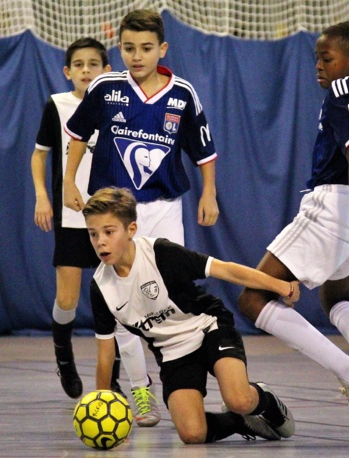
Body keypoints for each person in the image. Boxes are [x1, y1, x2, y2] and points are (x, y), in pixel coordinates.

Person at [238, 21, 349, 432]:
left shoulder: (343, 92)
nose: (318, 66)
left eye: (327, 58)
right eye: (317, 57)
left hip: (336, 205)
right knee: (335, 297)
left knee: (252, 298)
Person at [62, 9, 219, 425]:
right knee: (122, 301)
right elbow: (77, 136)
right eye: (128, 48)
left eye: (146, 48)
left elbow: (203, 151)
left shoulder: (182, 94)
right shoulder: (105, 87)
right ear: (120, 47)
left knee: (174, 292)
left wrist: (210, 194)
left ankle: (187, 377)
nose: (137, 55)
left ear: (162, 49)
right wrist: (68, 182)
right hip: (113, 208)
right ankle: (139, 387)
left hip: (164, 207)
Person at [83, 187, 298, 444]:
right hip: (173, 352)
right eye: (93, 234)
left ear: (131, 230)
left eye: (109, 232)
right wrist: (102, 407)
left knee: (239, 399)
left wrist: (280, 286)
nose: (100, 242)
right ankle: (241, 421)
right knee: (192, 434)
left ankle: (264, 400)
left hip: (207, 326)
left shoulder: (159, 254)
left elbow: (227, 270)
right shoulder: (101, 287)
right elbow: (106, 354)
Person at [30, 37, 159, 427]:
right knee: (67, 298)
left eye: (93, 64)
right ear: (68, 71)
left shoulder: (120, 103)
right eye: (78, 65)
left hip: (109, 222)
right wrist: (43, 196)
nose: (86, 70)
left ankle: (119, 380)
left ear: (107, 70)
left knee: (118, 301)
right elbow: (40, 154)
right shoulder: (58, 105)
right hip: (72, 220)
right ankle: (64, 357)